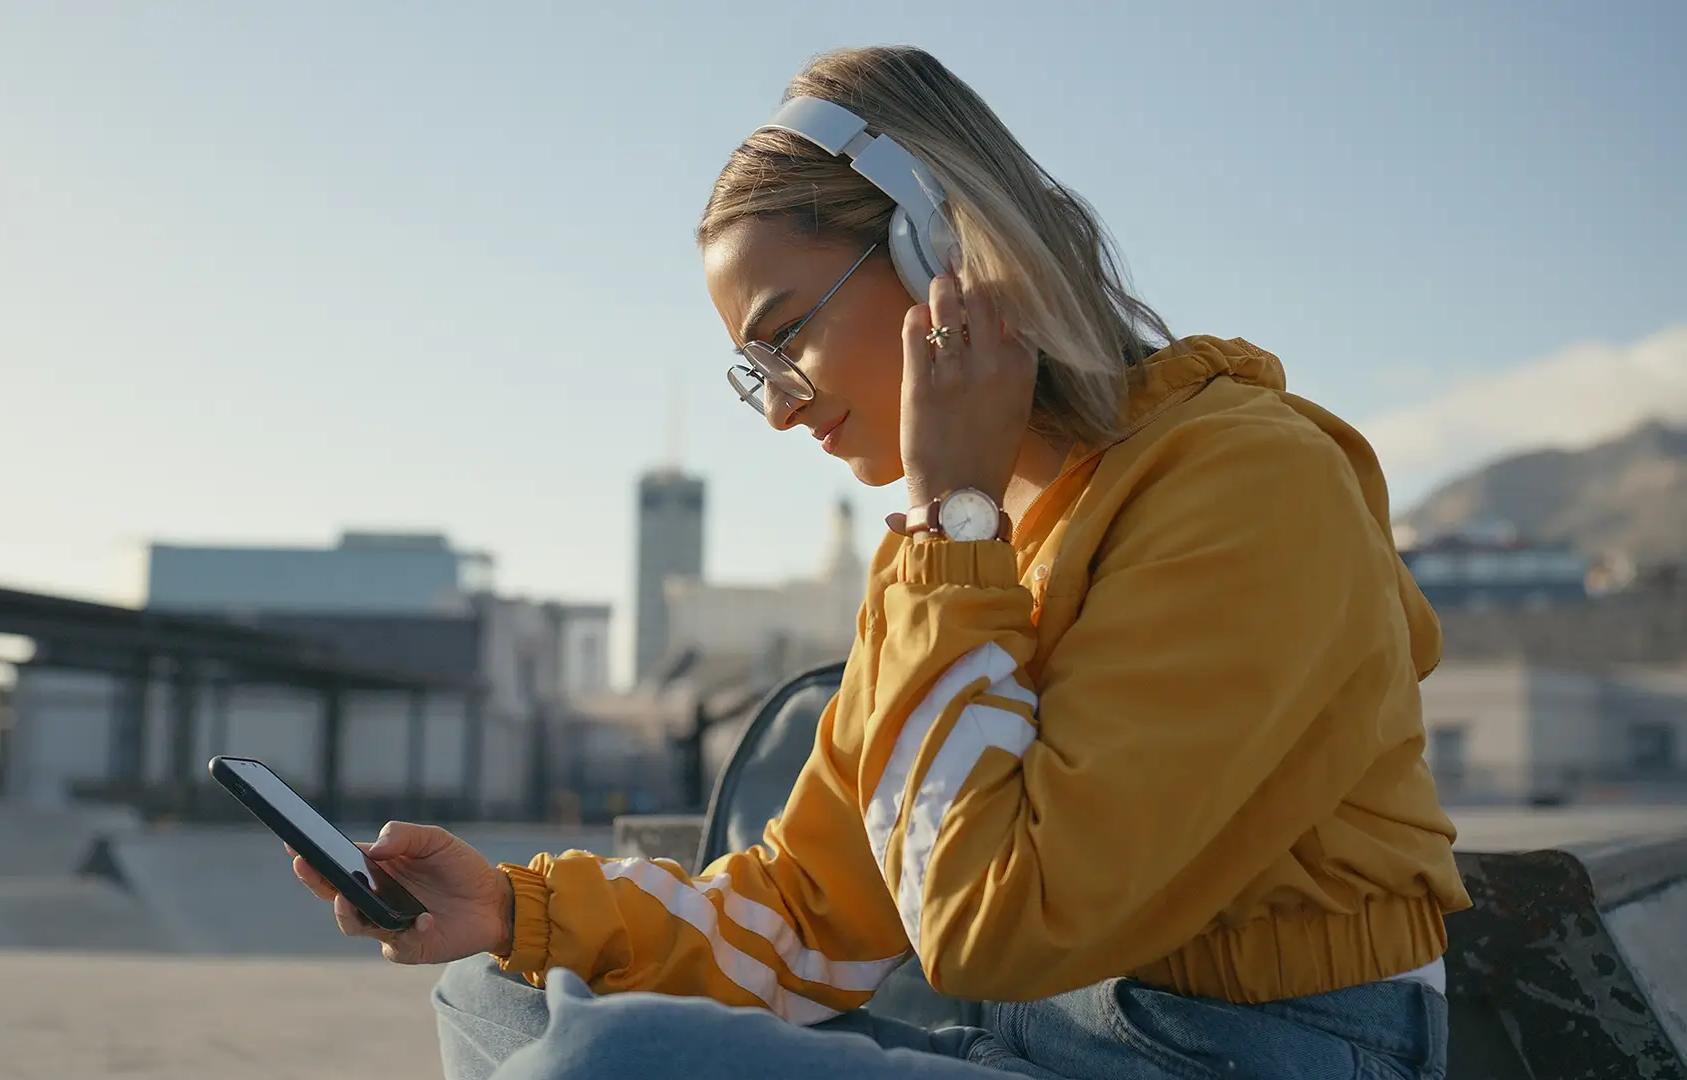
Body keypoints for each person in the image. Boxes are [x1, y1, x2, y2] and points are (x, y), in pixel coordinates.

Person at [290, 44, 1469, 1080]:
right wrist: (510, 908)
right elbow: (804, 917)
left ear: (943, 248)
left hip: (1258, 1059)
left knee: (613, 1061)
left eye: (784, 335)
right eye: (753, 373)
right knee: (492, 994)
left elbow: (996, 924)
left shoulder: (1247, 484)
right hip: (1032, 1044)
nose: (779, 408)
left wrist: (952, 516)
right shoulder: (964, 552)